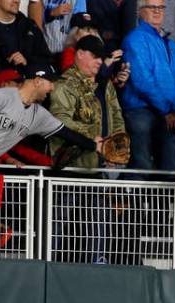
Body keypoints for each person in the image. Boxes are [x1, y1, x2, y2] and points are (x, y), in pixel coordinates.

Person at [0, 62, 103, 255]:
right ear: (37, 81)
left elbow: (66, 133)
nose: (52, 88)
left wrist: (95, 146)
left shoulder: (39, 114)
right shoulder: (1, 96)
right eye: (50, 82)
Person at [49, 35, 126, 263]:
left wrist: (116, 146)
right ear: (79, 53)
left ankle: (97, 260)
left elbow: (116, 116)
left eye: (101, 58)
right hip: (70, 164)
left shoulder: (104, 84)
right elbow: (60, 121)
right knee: (59, 218)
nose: (99, 62)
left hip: (98, 164)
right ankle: (48, 259)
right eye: (94, 56)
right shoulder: (64, 84)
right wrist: (95, 138)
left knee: (99, 219)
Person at [121, 0, 175, 173]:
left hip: (169, 112)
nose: (157, 11)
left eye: (160, 7)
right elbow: (143, 81)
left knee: (171, 168)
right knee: (142, 166)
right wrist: (167, 110)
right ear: (140, 11)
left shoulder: (171, 44)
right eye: (152, 7)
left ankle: (166, 200)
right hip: (141, 110)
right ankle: (136, 198)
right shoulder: (134, 39)